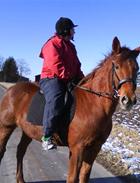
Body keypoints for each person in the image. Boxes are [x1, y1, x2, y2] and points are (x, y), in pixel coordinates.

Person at [39, 17, 84, 151]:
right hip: (51, 78)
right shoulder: (51, 44)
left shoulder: (71, 46)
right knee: (56, 98)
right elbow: (56, 66)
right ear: (65, 31)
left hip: (67, 78)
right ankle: (46, 137)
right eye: (72, 30)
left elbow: (77, 65)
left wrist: (82, 80)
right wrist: (69, 78)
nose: (74, 32)